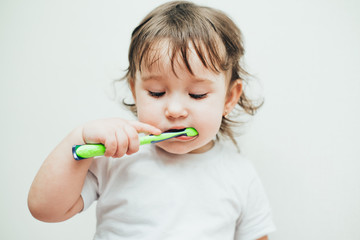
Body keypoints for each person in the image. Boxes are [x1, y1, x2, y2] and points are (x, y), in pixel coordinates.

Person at [28, 1, 276, 239]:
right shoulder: (114, 158)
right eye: (157, 92)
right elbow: (44, 209)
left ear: (229, 98)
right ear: (135, 91)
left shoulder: (240, 174)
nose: (175, 110)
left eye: (197, 94)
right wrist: (79, 138)